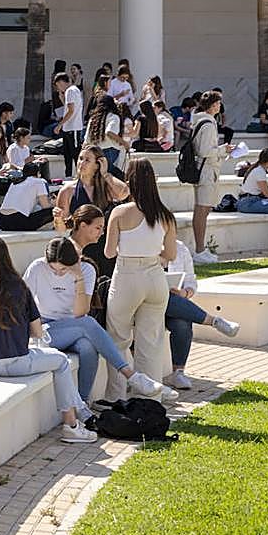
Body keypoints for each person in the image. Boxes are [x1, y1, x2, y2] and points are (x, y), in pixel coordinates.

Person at [0, 235, 97, 443]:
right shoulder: (20, 287)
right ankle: (71, 424)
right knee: (61, 361)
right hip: (16, 363)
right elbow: (37, 333)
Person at [23, 237, 166, 406]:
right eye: (54, 269)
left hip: (76, 328)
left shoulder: (86, 269)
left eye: (63, 269)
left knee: (87, 347)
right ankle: (131, 375)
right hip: (46, 330)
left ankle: (82, 402)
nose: (58, 274)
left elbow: (79, 312)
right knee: (88, 323)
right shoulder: (37, 267)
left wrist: (78, 278)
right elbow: (23, 304)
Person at [103, 158, 179, 403]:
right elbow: (171, 255)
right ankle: (149, 401)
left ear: (129, 182)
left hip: (127, 275)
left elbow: (109, 252)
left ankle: (115, 397)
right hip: (155, 277)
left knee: (118, 339)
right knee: (151, 342)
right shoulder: (165, 215)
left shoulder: (120, 212)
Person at [163, 238, 240, 390]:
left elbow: (191, 280)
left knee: (182, 323)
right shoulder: (147, 247)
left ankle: (178, 373)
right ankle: (214, 321)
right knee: (167, 299)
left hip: (174, 306)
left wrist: (185, 292)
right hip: (150, 304)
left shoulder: (180, 248)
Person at [53, 146, 130, 279]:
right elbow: (61, 228)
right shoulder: (67, 190)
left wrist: (106, 173)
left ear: (97, 165)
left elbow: (124, 193)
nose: (81, 163)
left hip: (104, 246)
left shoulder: (105, 187)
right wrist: (58, 218)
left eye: (87, 160)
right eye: (80, 159)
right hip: (81, 248)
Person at [188, 90, 234, 263]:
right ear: (213, 105)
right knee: (201, 209)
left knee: (204, 209)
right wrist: (224, 149)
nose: (220, 106)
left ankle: (201, 249)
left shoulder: (206, 121)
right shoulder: (207, 124)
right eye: (218, 103)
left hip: (207, 170)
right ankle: (199, 251)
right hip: (205, 170)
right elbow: (204, 151)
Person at [236, 147, 268, 235]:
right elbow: (267, 194)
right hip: (248, 203)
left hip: (251, 200)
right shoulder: (259, 172)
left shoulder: (259, 169)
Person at [0, 162, 53, 231]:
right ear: (38, 173)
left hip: (2, 221)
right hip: (18, 222)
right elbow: (45, 206)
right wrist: (54, 203)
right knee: (53, 211)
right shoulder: (39, 182)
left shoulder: (15, 183)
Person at [84, 94, 127, 178]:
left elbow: (86, 140)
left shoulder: (93, 119)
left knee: (99, 176)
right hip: (110, 150)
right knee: (109, 175)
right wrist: (124, 143)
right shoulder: (114, 117)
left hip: (95, 151)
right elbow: (109, 132)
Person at [52, 72, 84, 178]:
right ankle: (69, 175)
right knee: (68, 154)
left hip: (73, 128)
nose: (58, 88)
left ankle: (78, 175)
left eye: (58, 85)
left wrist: (60, 125)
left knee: (74, 154)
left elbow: (71, 110)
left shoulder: (70, 91)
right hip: (69, 128)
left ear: (61, 82)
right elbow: (68, 107)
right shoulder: (73, 91)